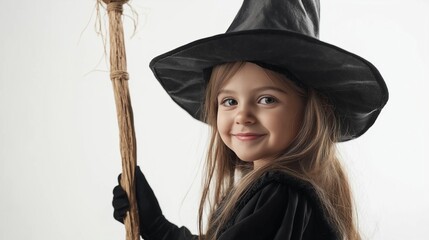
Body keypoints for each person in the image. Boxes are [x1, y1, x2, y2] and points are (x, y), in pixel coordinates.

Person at [112, 0, 389, 239]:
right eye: (229, 101)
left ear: (309, 111)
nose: (243, 116)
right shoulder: (270, 189)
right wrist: (157, 226)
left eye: (266, 99)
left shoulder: (280, 194)